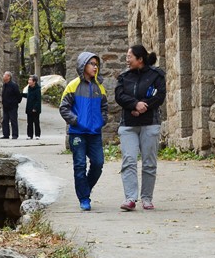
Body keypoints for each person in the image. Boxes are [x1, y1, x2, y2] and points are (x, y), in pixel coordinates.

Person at [114, 45, 166, 211]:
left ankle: (147, 198)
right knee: (129, 160)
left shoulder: (156, 76)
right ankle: (130, 198)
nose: (127, 60)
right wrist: (134, 105)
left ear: (140, 59)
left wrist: (144, 106)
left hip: (150, 123)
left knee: (149, 163)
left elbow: (159, 95)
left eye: (130, 56)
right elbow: (119, 96)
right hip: (128, 125)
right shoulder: (124, 77)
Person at [59, 52, 108, 211]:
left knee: (98, 163)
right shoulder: (72, 86)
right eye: (92, 64)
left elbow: (104, 108)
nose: (95, 67)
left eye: (96, 64)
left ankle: (84, 189)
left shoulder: (99, 87)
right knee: (79, 165)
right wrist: (76, 121)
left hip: (94, 134)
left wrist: (102, 121)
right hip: (77, 133)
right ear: (83, 66)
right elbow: (64, 108)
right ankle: (84, 198)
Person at [1, 71, 22, 139]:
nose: (3, 76)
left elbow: (18, 95)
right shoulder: (4, 85)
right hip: (5, 106)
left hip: (12, 106)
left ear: (8, 77)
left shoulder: (14, 85)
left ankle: (15, 134)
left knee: (13, 120)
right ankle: (6, 134)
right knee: (5, 120)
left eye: (5, 75)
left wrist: (16, 102)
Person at [24, 74, 42, 139]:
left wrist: (35, 108)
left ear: (34, 82)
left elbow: (38, 100)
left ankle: (37, 135)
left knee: (36, 122)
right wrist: (22, 95)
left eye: (30, 80)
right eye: (29, 80)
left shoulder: (37, 89)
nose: (28, 81)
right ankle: (29, 135)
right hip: (29, 108)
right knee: (29, 122)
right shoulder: (29, 88)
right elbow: (28, 96)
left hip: (35, 109)